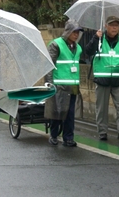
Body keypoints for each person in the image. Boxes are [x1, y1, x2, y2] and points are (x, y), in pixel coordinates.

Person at [85, 16, 119, 141]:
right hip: (102, 79)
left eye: (116, 25)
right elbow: (88, 51)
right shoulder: (99, 39)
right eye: (112, 25)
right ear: (106, 26)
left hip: (117, 80)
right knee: (101, 108)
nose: (114, 27)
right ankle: (102, 132)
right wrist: (95, 37)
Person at [44, 19, 83, 147]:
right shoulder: (56, 45)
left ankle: (68, 138)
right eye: (74, 32)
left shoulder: (78, 48)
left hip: (72, 85)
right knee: (57, 112)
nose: (76, 35)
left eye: (78, 32)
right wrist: (49, 83)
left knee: (70, 113)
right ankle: (53, 135)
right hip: (58, 85)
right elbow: (49, 65)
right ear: (67, 32)